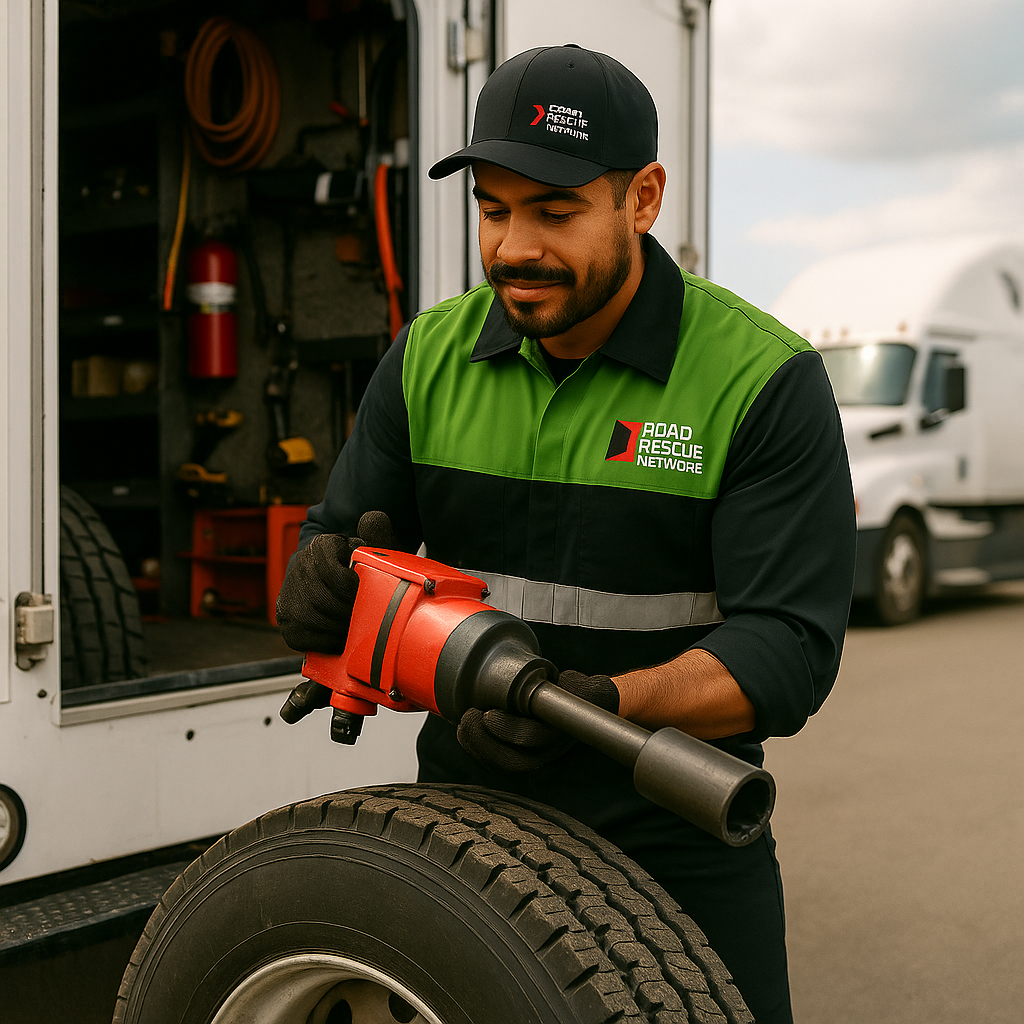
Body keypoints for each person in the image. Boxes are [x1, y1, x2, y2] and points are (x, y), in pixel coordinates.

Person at [276, 44, 856, 1024]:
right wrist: (316, 589)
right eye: (493, 208)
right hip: (465, 824)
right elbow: (340, 543)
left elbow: (788, 651)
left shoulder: (760, 381)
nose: (512, 247)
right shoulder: (426, 358)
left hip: (673, 831)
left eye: (553, 211)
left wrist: (605, 703)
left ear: (642, 198)